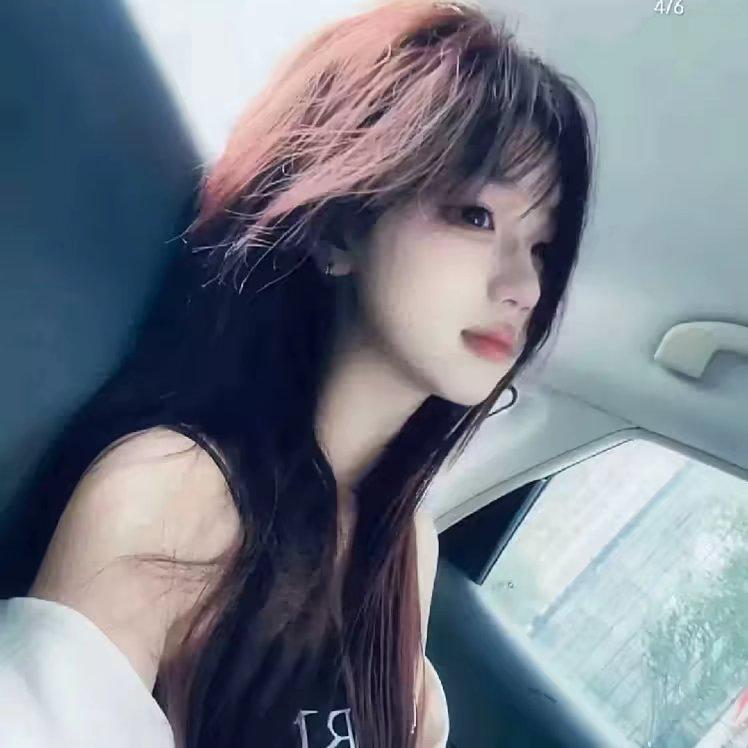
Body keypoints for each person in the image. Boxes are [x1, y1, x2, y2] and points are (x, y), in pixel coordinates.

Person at [0, 1, 595, 746]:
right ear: (341, 228)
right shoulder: (170, 495)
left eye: (542, 248)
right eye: (476, 216)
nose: (525, 287)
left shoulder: (407, 546)